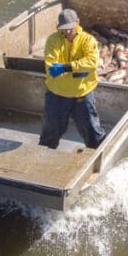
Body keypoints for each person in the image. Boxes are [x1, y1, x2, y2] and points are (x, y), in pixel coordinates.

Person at [40, 9, 106, 150]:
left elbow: (92, 62)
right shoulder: (53, 40)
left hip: (82, 95)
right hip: (57, 94)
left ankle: (98, 156)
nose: (68, 32)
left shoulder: (88, 40)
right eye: (64, 29)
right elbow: (51, 65)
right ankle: (44, 157)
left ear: (77, 22)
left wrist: (66, 68)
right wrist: (78, 71)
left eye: (70, 28)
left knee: (92, 131)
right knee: (50, 131)